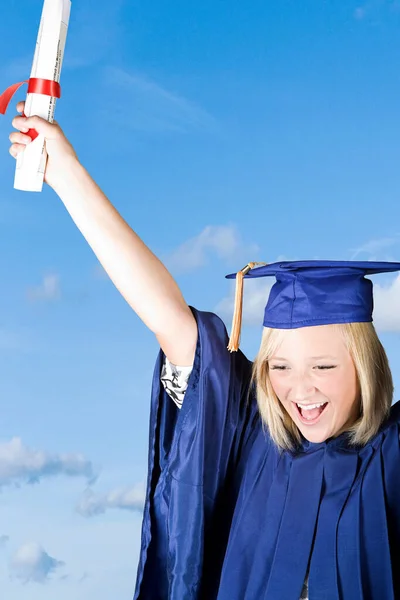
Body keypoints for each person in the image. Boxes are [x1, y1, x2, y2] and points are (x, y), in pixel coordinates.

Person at [8, 106, 400, 600]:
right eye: (279, 366)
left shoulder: (390, 456)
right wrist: (65, 172)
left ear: (363, 364)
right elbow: (169, 318)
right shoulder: (249, 432)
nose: (301, 388)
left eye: (323, 366)